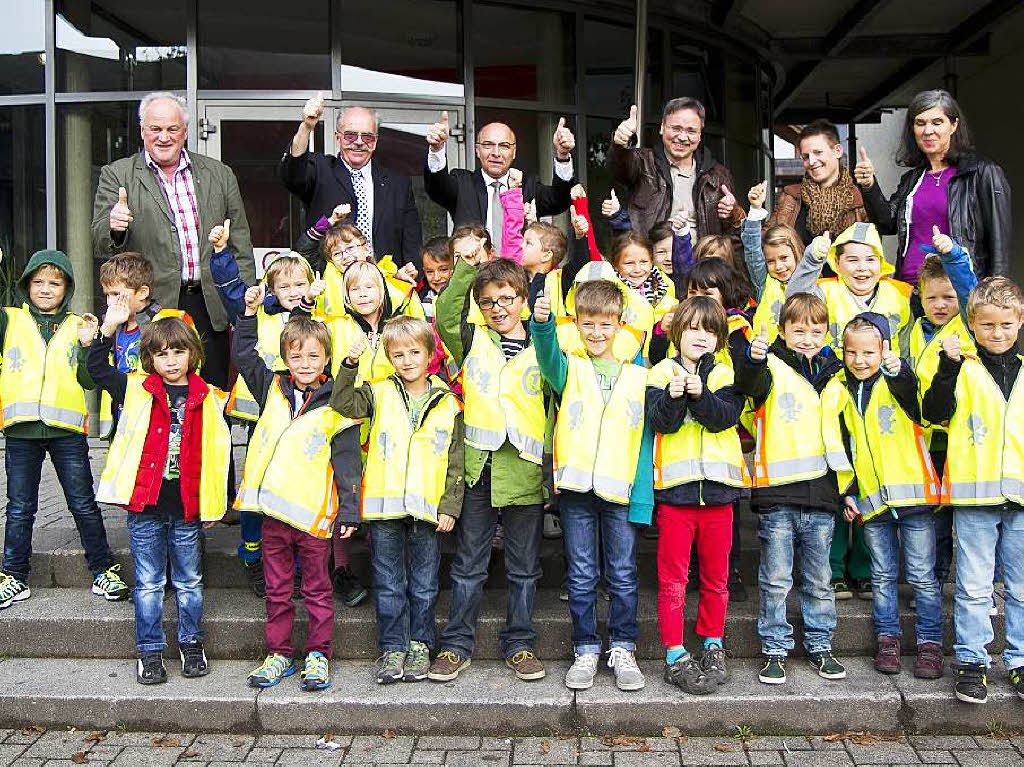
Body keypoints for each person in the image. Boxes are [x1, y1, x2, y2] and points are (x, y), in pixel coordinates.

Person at [89, 310, 231, 685]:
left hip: (186, 507)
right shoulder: (137, 388)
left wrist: (217, 504)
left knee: (189, 581)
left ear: (193, 354)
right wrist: (107, 328)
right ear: (149, 359)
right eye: (162, 355)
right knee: (149, 582)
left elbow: (220, 456)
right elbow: (97, 370)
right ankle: (149, 651)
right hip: (145, 507)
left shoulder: (210, 397)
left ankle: (191, 643)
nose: (171, 361)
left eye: (178, 352)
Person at [428, 258, 549, 683]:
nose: (498, 308)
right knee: (468, 563)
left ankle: (520, 643)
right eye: (488, 302)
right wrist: (467, 269)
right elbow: (444, 314)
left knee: (523, 565)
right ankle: (456, 644)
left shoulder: (545, 340)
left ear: (523, 298)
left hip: (525, 469)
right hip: (479, 466)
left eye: (506, 299)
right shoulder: (472, 337)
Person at [234, 296, 360, 692]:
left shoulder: (338, 404)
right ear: (286, 358)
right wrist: (248, 314)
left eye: (313, 356)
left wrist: (351, 513)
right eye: (296, 356)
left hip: (314, 515)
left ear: (326, 359)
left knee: (318, 589)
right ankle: (279, 654)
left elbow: (348, 462)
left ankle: (318, 654)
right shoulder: (270, 387)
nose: (304, 364)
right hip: (273, 512)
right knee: (277, 589)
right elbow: (243, 354)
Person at [91, 92, 255, 390]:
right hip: (151, 308)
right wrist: (114, 228)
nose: (163, 137)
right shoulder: (117, 175)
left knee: (211, 397)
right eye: (155, 129)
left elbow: (240, 244)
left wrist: (242, 306)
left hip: (211, 305)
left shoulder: (219, 174)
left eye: (172, 129)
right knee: (156, 402)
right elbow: (101, 243)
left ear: (185, 131)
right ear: (142, 131)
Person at [332, 316, 465, 685]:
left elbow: (456, 459)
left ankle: (421, 643)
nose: (407, 361)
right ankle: (393, 647)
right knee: (389, 581)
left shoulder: (448, 402)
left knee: (423, 582)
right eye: (398, 354)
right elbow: (343, 403)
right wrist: (349, 365)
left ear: (430, 355)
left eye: (414, 353)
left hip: (426, 506)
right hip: (385, 504)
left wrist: (450, 506)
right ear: (389, 358)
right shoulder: (378, 391)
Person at [531, 279, 647, 692]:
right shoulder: (571, 365)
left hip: (620, 488)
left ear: (620, 325)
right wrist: (542, 327)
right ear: (576, 326)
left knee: (622, 572)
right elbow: (546, 361)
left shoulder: (638, 373)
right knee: (581, 574)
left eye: (605, 325)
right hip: (577, 489)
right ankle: (586, 647)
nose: (596, 334)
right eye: (588, 325)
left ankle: (623, 646)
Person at [0, 249, 128, 610]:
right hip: (21, 430)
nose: (45, 288)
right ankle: (13, 575)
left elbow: (89, 380)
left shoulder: (79, 325)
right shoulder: (9, 321)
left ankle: (103, 569)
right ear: (26, 285)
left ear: (67, 288)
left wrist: (92, 343)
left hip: (67, 430)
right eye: (38, 282)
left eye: (54, 283)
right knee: (20, 507)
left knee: (83, 503)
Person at [822, 314, 943, 678]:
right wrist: (848, 491)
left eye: (869, 352)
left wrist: (898, 369)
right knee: (882, 576)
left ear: (884, 350)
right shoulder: (842, 390)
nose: (860, 360)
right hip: (873, 503)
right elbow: (849, 447)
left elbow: (913, 396)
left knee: (922, 576)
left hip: (915, 499)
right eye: (852, 352)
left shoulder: (898, 380)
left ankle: (930, 644)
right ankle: (887, 640)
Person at [922, 276, 1024, 704]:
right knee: (974, 585)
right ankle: (972, 660)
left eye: (1005, 324)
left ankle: (1019, 662)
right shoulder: (960, 366)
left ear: (1019, 321)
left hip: (1020, 498)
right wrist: (946, 369)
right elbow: (933, 413)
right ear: (972, 324)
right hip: (974, 497)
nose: (996, 334)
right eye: (986, 326)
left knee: (1020, 586)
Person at [735, 293, 846, 685]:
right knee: (776, 578)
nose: (808, 338)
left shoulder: (838, 371)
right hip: (777, 493)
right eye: (798, 330)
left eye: (816, 331)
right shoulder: (772, 367)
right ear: (783, 331)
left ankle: (820, 645)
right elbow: (749, 384)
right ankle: (774, 648)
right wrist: (753, 357)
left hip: (822, 492)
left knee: (818, 578)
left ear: (827, 332)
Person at [646, 296, 746, 695]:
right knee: (672, 580)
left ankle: (713, 643)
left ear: (720, 338)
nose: (700, 336)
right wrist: (673, 396)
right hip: (676, 496)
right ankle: (673, 653)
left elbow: (724, 417)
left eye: (709, 330)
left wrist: (701, 394)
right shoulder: (659, 372)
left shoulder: (725, 372)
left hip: (719, 496)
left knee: (715, 579)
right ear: (677, 333)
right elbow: (660, 424)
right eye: (692, 328)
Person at [855, 89, 1012, 282]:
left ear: (953, 125)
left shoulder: (983, 172)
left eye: (937, 122)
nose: (928, 131)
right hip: (909, 289)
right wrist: (870, 185)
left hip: (958, 290)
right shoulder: (912, 179)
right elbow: (887, 224)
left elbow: (999, 243)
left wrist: (995, 291)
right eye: (920, 123)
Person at [908, 232, 977, 587]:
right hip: (925, 440)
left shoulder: (967, 324)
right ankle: (932, 581)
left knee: (964, 516)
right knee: (932, 517)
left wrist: (953, 257)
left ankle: (971, 581)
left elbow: (969, 288)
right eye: (932, 297)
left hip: (961, 439)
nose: (940, 304)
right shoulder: (913, 331)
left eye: (948, 298)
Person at [282, 96, 422, 268]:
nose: (358, 142)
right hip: (330, 286)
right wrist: (307, 127)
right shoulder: (320, 170)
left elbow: (411, 242)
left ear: (375, 141)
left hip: (383, 285)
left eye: (367, 137)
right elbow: (293, 173)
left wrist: (412, 276)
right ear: (337, 137)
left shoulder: (398, 184)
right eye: (350, 135)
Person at [424, 111, 576, 242]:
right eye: (488, 145)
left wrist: (563, 155)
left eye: (504, 146)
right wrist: (437, 149)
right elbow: (437, 188)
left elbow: (559, 200)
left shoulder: (527, 186)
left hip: (516, 273)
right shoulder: (463, 183)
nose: (496, 153)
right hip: (473, 273)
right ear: (477, 150)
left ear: (514, 152)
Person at [609, 99, 743, 240]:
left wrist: (733, 212)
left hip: (703, 260)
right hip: (652, 257)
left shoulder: (718, 175)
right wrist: (619, 144)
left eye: (691, 131)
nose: (682, 137)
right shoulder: (643, 163)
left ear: (699, 136)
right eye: (676, 129)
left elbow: (732, 236)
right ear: (662, 127)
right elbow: (619, 167)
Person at [94, 252, 164, 438]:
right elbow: (97, 369)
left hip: (154, 423)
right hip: (122, 423)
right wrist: (105, 331)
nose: (110, 302)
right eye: (107, 295)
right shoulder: (113, 327)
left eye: (116, 294)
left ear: (142, 293)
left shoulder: (164, 323)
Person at [768, 120, 868, 247]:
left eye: (818, 152)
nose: (811, 161)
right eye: (805, 157)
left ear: (837, 151)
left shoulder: (858, 198)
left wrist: (870, 186)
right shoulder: (791, 197)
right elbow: (767, 243)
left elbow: (883, 230)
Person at [742, 181, 805, 343]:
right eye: (770, 261)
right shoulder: (764, 280)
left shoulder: (808, 281)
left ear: (797, 253)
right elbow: (752, 250)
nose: (778, 266)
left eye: (784, 258)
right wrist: (755, 210)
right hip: (767, 354)